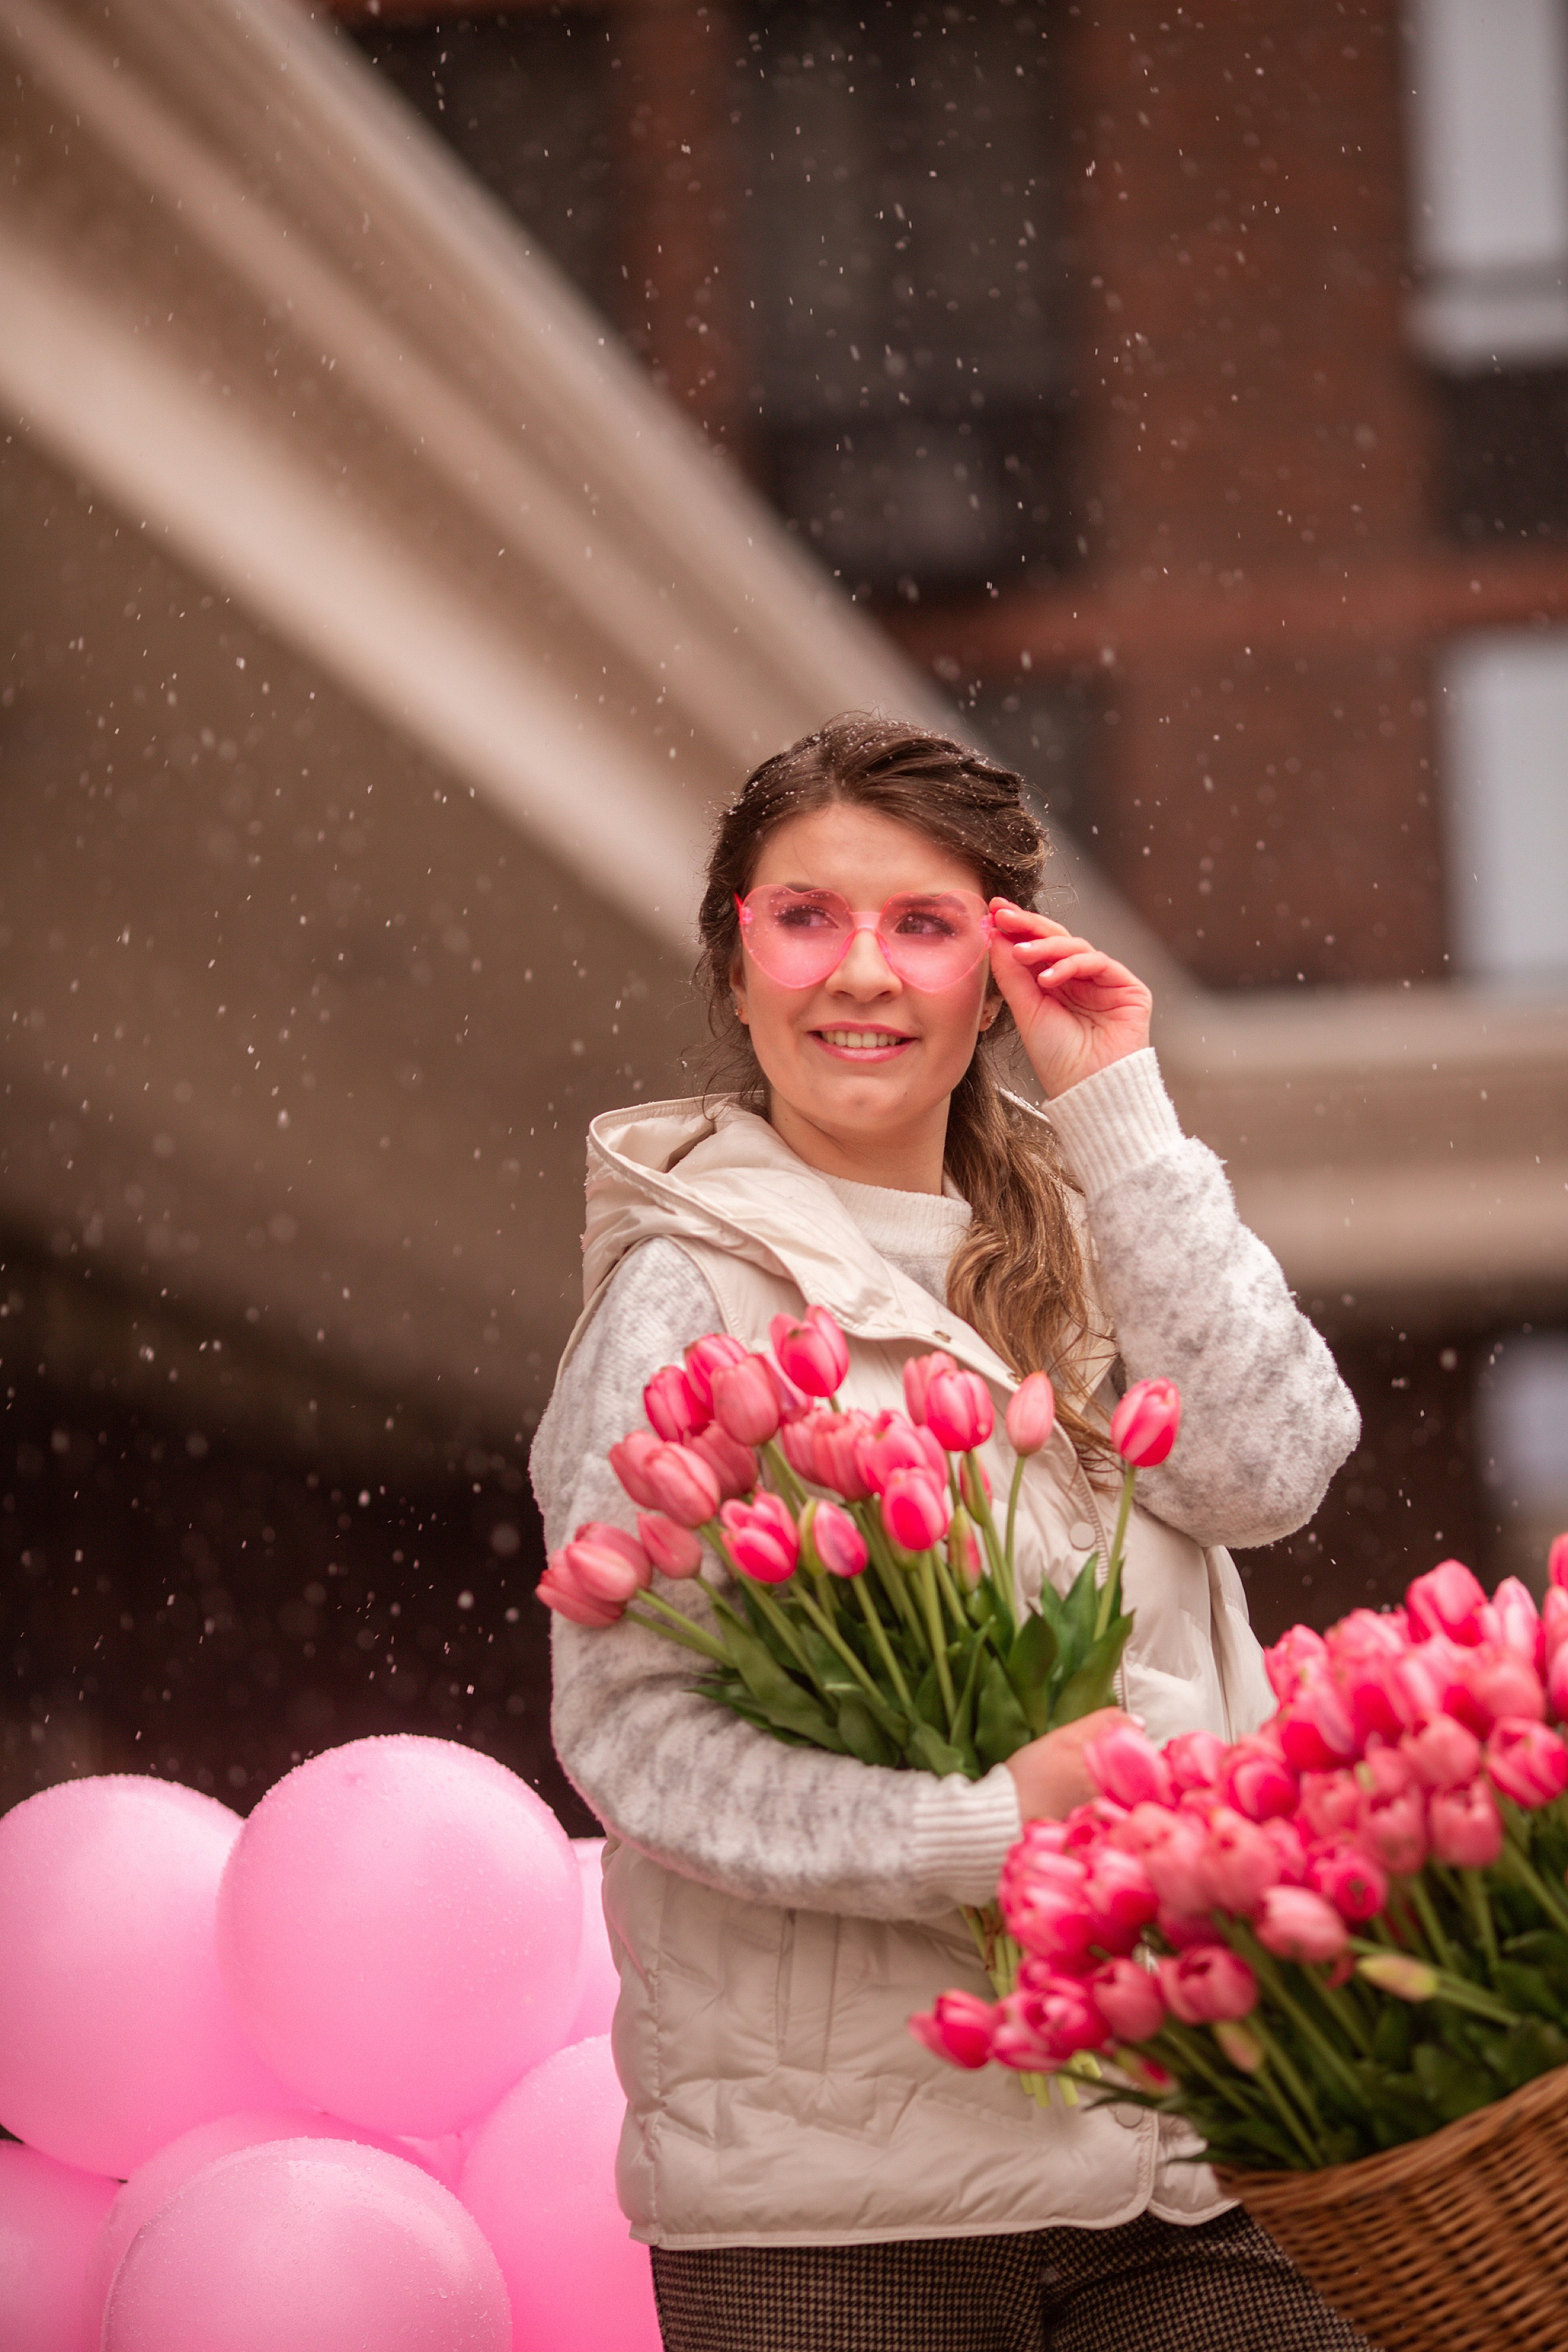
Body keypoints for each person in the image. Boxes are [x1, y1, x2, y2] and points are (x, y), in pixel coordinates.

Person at [532, 715, 1370, 2352]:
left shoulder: (1085, 1233)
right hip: (845, 2214)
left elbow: (1270, 1471)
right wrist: (984, 1827)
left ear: (996, 970)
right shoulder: (683, 1297)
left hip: (1190, 2146)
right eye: (808, 917)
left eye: (922, 924)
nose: (863, 972)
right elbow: (633, 1737)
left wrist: (1117, 1108)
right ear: (735, 959)